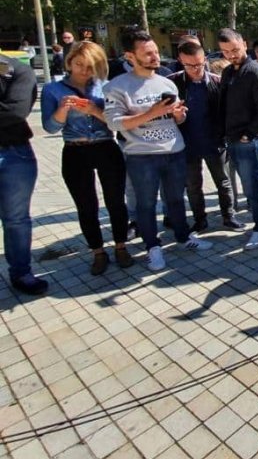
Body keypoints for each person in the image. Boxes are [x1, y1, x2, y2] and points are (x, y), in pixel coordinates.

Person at [103, 30, 212, 271]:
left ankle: (183, 237)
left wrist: (178, 115)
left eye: (155, 51)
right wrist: (151, 113)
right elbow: (113, 123)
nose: (156, 57)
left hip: (174, 150)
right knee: (146, 204)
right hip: (141, 155)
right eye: (148, 53)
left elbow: (177, 120)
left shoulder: (166, 82)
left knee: (175, 199)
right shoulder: (117, 86)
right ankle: (153, 247)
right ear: (130, 56)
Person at [41, 41, 132, 275]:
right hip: (75, 149)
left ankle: (121, 246)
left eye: (90, 66)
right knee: (86, 205)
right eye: (79, 64)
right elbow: (49, 127)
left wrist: (93, 110)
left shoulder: (105, 87)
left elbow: (117, 123)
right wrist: (62, 110)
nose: (84, 70)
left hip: (105, 147)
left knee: (115, 201)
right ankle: (97, 251)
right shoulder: (53, 89)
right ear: (69, 62)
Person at [169, 41, 244, 233]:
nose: (195, 69)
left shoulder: (217, 82)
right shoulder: (173, 83)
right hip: (186, 145)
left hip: (214, 142)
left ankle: (228, 217)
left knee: (223, 182)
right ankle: (200, 220)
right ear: (181, 61)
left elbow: (228, 112)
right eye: (189, 65)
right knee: (193, 186)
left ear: (205, 59)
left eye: (199, 64)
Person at [218, 29, 258, 249]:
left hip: (250, 140)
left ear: (244, 43)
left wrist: (248, 134)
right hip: (234, 138)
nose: (231, 55)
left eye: (234, 49)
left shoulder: (255, 71)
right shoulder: (229, 72)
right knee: (253, 185)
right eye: (225, 51)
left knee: (251, 187)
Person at [0, 53, 47, 295]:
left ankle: (21, 272)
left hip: (13, 154)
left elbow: (15, 112)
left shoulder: (17, 70)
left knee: (16, 219)